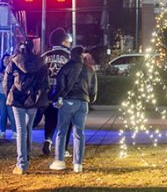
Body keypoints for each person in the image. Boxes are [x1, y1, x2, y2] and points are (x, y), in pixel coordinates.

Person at [3, 39, 49, 175]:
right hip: (33, 100)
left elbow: (6, 82)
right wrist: (37, 97)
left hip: (17, 99)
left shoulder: (14, 61)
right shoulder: (40, 62)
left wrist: (9, 95)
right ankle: (26, 159)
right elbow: (44, 83)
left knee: (21, 130)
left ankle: (21, 164)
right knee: (28, 129)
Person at [49, 45, 98, 173]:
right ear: (82, 55)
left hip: (68, 102)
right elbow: (94, 91)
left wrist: (55, 98)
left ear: (71, 55)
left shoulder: (66, 67)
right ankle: (78, 164)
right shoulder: (90, 70)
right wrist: (88, 100)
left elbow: (59, 86)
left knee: (61, 131)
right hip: (83, 102)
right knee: (79, 133)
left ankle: (59, 161)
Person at [39, 27, 72, 155]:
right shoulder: (69, 57)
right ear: (63, 42)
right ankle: (63, 148)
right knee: (65, 120)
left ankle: (47, 141)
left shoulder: (44, 56)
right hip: (63, 94)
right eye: (67, 40)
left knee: (49, 119)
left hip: (47, 93)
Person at [0, 52, 15, 139]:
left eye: (8, 59)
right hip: (2, 95)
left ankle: (15, 132)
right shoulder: (0, 71)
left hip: (10, 94)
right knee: (3, 114)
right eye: (4, 59)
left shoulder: (13, 71)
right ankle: (2, 131)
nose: (6, 61)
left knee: (12, 114)